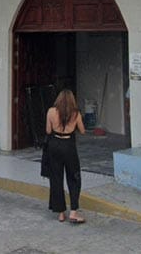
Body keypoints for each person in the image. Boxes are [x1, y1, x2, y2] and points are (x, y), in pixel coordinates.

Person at [45, 88, 86, 224]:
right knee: (74, 177)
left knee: (56, 178)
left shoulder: (51, 111)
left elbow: (48, 130)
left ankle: (61, 213)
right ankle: (73, 211)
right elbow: (82, 130)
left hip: (54, 144)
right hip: (69, 145)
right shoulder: (75, 114)